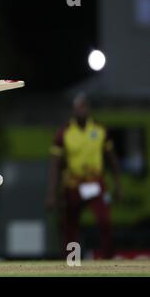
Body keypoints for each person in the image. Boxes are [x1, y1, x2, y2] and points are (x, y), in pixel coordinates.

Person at [46, 93, 122, 259]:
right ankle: (70, 260)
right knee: (69, 226)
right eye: (77, 107)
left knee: (104, 221)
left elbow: (112, 159)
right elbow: (55, 165)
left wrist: (118, 184)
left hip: (96, 183)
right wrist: (52, 193)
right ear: (72, 110)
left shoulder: (100, 130)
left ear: (88, 108)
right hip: (74, 184)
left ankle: (109, 260)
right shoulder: (64, 133)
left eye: (83, 106)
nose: (80, 110)